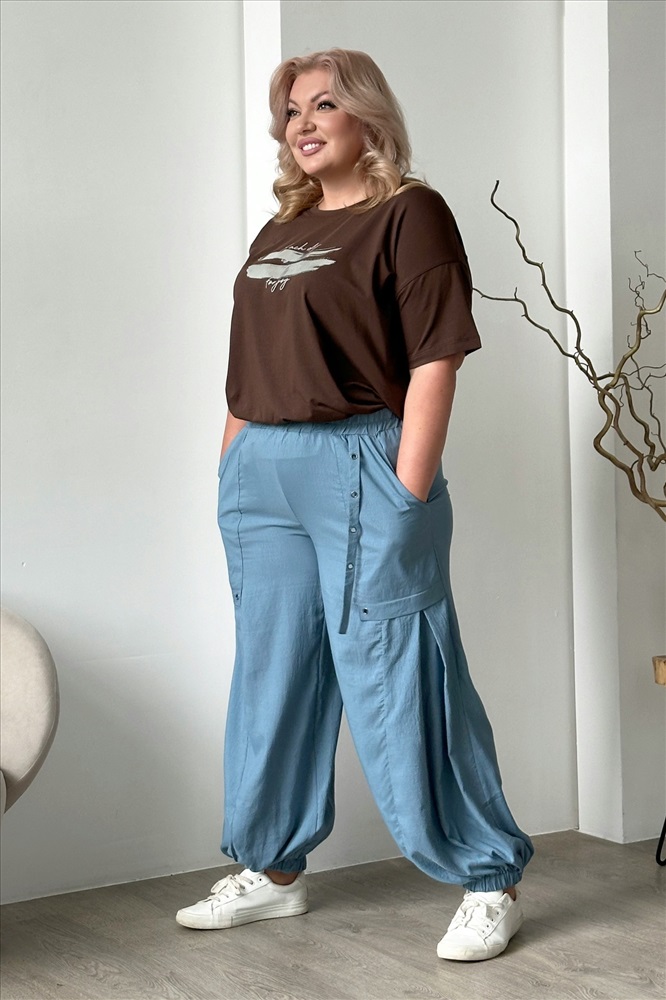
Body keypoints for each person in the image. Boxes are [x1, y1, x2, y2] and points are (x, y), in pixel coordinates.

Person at [176, 48, 534, 962]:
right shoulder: (279, 229)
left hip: (361, 457)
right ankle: (271, 866)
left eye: (324, 104)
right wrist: (231, 466)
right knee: (273, 670)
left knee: (400, 671)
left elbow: (435, 358)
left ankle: (488, 875)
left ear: (367, 116)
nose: (302, 123)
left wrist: (407, 491)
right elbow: (247, 365)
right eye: (291, 109)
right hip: (261, 469)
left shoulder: (409, 212)